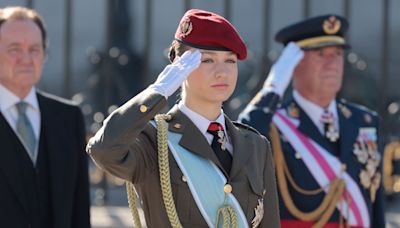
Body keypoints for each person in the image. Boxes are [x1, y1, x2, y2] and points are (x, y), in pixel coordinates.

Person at [87, 9, 279, 228]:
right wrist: (157, 92)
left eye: (230, 61)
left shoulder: (255, 145)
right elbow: (103, 150)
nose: (222, 72)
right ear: (179, 67)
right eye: (207, 60)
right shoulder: (154, 139)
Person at [238, 14, 385, 227]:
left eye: (337, 54)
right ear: (294, 64)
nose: (332, 63)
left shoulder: (365, 121)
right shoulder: (273, 124)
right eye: (320, 54)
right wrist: (272, 89)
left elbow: (375, 204)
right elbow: (244, 138)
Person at [0, 6, 90, 228]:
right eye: (14, 49)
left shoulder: (68, 118)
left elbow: (79, 210)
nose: (26, 59)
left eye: (34, 49)